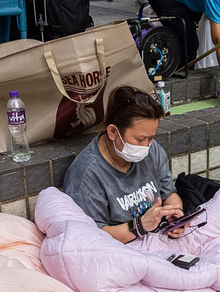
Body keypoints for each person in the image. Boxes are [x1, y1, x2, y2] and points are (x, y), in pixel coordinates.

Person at [62, 86, 186, 243]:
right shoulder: (87, 173)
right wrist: (139, 226)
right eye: (140, 140)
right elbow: (91, 236)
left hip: (159, 238)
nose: (146, 146)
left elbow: (169, 193)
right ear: (113, 132)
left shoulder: (152, 150)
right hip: (119, 249)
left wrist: (176, 214)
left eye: (151, 138)